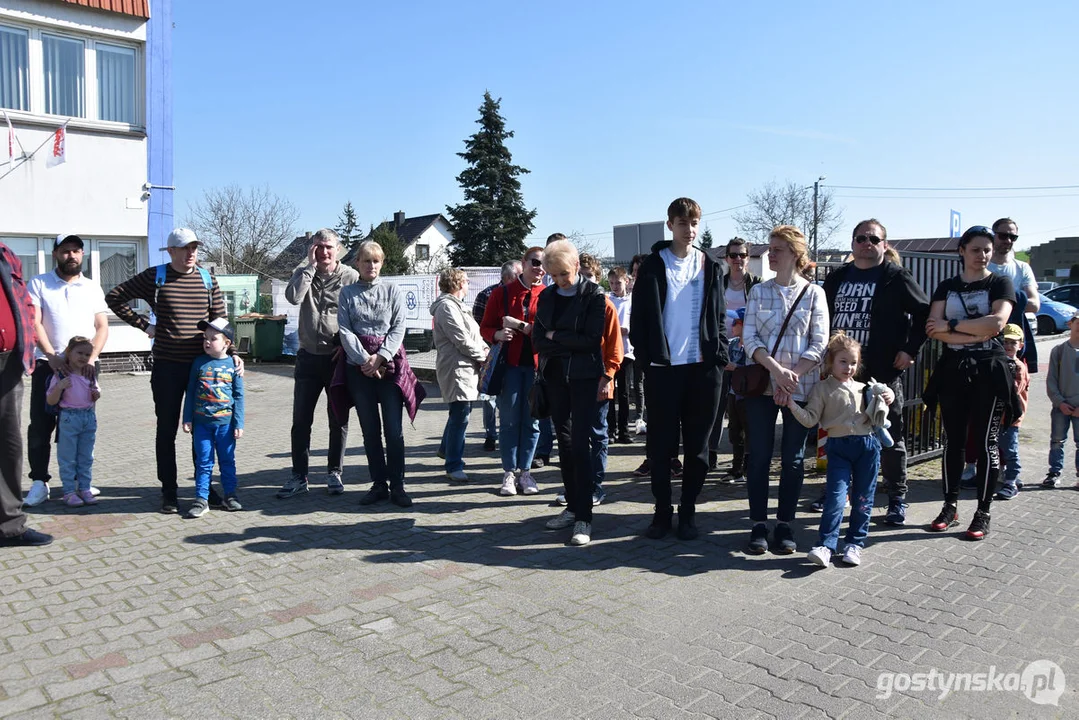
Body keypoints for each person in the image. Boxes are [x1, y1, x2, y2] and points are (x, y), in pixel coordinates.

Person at [105, 228, 240, 514]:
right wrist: (145, 326)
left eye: (194, 248)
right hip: (166, 367)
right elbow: (114, 297)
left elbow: (220, 321)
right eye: (185, 248)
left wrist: (233, 354)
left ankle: (203, 490)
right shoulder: (156, 276)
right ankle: (169, 491)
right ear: (171, 251)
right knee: (166, 430)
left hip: (201, 369)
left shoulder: (207, 279)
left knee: (200, 429)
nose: (191, 253)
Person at [820, 219, 930, 525]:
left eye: (873, 238)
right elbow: (820, 314)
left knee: (889, 435)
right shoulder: (838, 276)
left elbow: (925, 313)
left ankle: (896, 497)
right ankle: (837, 492)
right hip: (841, 373)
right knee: (840, 433)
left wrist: (910, 350)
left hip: (881, 372)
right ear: (852, 243)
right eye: (860, 238)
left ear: (884, 244)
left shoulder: (895, 277)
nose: (866, 243)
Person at [630, 197, 728, 541]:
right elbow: (639, 317)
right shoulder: (655, 265)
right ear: (670, 224)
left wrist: (719, 352)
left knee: (699, 448)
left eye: (695, 223)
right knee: (661, 446)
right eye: (684, 223)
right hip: (663, 370)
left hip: (703, 371)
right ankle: (661, 513)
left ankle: (688, 512)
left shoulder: (710, 265)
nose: (691, 230)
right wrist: (646, 359)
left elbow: (718, 315)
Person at [923, 226, 1017, 541]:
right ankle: (949, 506)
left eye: (987, 250)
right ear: (962, 250)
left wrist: (952, 325)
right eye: (976, 249)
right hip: (953, 370)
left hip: (988, 370)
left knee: (987, 441)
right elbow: (932, 329)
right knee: (954, 441)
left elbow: (996, 324)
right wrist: (971, 329)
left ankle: (983, 511)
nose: (982, 255)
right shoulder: (946, 286)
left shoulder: (999, 282)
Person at [742, 225, 828, 555]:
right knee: (760, 456)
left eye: (777, 249)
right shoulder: (759, 292)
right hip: (764, 386)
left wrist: (793, 376)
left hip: (801, 387)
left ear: (795, 253)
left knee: (793, 460)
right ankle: (759, 525)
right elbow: (749, 339)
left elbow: (820, 343)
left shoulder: (814, 294)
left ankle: (785, 524)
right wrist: (777, 372)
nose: (771, 254)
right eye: (770, 248)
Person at [784, 334, 893, 568]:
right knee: (835, 497)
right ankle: (825, 545)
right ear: (831, 362)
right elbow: (810, 419)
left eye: (853, 362)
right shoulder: (821, 389)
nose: (849, 367)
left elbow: (884, 402)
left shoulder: (866, 388)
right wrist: (791, 404)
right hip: (838, 448)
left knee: (863, 499)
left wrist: (889, 395)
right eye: (843, 361)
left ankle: (855, 543)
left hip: (867, 447)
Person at [25, 235, 109, 507]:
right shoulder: (39, 283)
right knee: (41, 425)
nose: (71, 256)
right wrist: (52, 356)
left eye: (76, 251)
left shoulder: (92, 287)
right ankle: (40, 482)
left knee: (81, 426)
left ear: (82, 254)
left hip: (84, 370)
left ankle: (79, 483)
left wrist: (90, 360)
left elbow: (102, 327)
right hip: (47, 365)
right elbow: (34, 322)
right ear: (55, 254)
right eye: (65, 251)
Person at [535, 241, 608, 546]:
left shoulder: (594, 295)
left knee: (580, 443)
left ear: (577, 266)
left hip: (584, 377)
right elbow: (539, 339)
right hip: (554, 376)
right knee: (563, 444)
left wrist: (557, 336)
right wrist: (564, 339)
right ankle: (572, 505)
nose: (560, 281)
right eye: (554, 276)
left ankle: (585, 517)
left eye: (564, 274)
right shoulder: (549, 295)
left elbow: (591, 341)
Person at [277, 229, 358, 499]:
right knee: (301, 420)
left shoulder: (350, 276)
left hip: (336, 360)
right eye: (318, 247)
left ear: (338, 249)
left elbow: (358, 317)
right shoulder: (303, 272)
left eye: (328, 247)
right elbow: (293, 297)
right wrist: (309, 268)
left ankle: (335, 472)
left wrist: (345, 346)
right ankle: (299, 476)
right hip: (308, 358)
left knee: (338, 420)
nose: (324, 252)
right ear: (312, 249)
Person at [339, 241, 417, 507]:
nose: (371, 266)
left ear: (381, 263)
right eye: (366, 261)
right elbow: (345, 329)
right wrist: (364, 360)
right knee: (370, 431)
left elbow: (399, 327)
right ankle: (378, 484)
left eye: (376, 261)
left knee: (394, 431)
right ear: (357, 263)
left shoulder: (392, 290)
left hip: (389, 368)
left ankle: (398, 485)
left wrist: (380, 357)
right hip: (359, 370)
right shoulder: (347, 293)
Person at [480, 246, 546, 496]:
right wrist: (496, 334)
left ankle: (526, 473)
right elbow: (485, 327)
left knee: (533, 422)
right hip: (509, 368)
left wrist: (521, 326)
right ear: (524, 262)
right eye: (536, 262)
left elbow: (546, 330)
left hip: (537, 369)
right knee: (508, 421)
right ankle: (509, 473)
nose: (540, 268)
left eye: (544, 264)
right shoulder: (502, 293)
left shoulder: (548, 294)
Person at [0, 241, 53, 546]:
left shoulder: (6, 253)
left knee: (8, 447)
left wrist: (28, 341)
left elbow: (23, 301)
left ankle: (9, 526)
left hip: (8, 362)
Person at [181, 319, 245, 518]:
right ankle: (202, 499)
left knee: (227, 461)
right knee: (204, 462)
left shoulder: (233, 365)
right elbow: (191, 391)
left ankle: (230, 495)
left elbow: (238, 396)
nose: (207, 342)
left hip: (225, 425)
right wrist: (187, 417)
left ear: (227, 343)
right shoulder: (199, 363)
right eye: (205, 338)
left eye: (213, 338)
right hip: (202, 425)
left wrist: (239, 423)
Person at [709, 237, 762, 472]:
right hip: (721, 354)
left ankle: (745, 458)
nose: (737, 259)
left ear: (748, 258)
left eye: (742, 255)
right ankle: (710, 454)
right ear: (726, 258)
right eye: (733, 255)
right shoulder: (718, 284)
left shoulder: (757, 285)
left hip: (747, 356)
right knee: (716, 408)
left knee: (745, 411)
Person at [431, 268, 489, 483]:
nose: (467, 284)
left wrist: (485, 349)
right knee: (460, 415)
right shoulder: (447, 307)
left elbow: (474, 333)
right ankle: (454, 465)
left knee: (459, 412)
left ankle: (446, 451)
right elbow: (461, 338)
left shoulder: (458, 306)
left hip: (465, 367)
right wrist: (482, 356)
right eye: (465, 281)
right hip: (456, 368)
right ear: (457, 283)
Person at [575, 252, 623, 505]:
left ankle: (596, 486)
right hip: (575, 380)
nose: (586, 281)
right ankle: (577, 487)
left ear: (599, 277)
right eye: (581, 276)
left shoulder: (605, 305)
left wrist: (607, 377)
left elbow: (616, 348)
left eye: (590, 276)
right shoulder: (571, 304)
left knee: (597, 434)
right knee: (576, 436)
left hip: (599, 380)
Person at [44, 336, 101, 508]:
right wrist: (60, 387)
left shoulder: (89, 373)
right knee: (67, 458)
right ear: (69, 353)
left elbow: (95, 394)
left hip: (88, 417)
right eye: (79, 353)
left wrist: (95, 395)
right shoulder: (61, 375)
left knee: (86, 457)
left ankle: (84, 488)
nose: (83, 357)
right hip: (69, 418)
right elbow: (51, 401)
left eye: (87, 354)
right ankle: (69, 492)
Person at [473, 261, 521, 452]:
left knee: (509, 398)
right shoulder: (487, 294)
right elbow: (479, 325)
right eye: (518, 275)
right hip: (491, 352)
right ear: (508, 277)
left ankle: (510, 434)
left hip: (515, 356)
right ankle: (490, 435)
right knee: (489, 396)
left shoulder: (520, 295)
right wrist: (492, 341)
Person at [533, 234, 566, 467]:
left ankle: (569, 456)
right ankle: (543, 452)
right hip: (546, 362)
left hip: (574, 365)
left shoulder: (582, 291)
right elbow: (539, 333)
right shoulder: (544, 291)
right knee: (544, 409)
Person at [1044, 312, 1079, 489]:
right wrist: (1060, 402)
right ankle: (1054, 473)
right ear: (1070, 324)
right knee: (1057, 440)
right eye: (1077, 322)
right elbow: (1051, 380)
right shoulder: (1058, 350)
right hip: (1061, 407)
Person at [996, 324, 1029, 499]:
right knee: (1000, 447)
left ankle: (1012, 482)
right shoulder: (1000, 362)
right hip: (998, 416)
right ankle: (1007, 476)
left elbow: (1013, 391)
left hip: (1011, 418)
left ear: (1020, 345)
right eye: (1005, 342)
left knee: (1010, 449)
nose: (1008, 346)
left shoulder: (1018, 367)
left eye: (1013, 343)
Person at [607, 266, 634, 444]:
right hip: (610, 352)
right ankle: (610, 430)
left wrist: (627, 330)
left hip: (626, 351)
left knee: (623, 393)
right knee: (610, 392)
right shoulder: (607, 300)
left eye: (618, 282)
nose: (615, 286)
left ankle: (624, 430)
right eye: (611, 283)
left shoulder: (632, 301)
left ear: (626, 281)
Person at [721, 308, 749, 484]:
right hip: (733, 393)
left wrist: (736, 367)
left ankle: (746, 468)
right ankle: (736, 468)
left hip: (748, 395)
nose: (732, 326)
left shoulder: (753, 347)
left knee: (748, 432)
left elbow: (755, 369)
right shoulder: (731, 344)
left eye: (736, 323)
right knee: (734, 431)